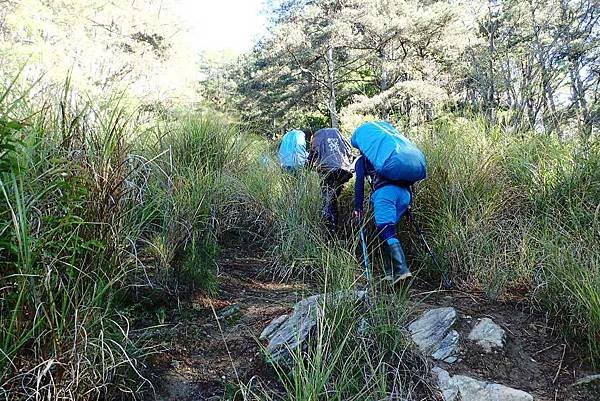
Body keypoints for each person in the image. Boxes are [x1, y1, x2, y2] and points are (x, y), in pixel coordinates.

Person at [353, 140, 413, 285]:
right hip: (404, 195)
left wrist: (358, 207)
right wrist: (410, 203)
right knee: (387, 231)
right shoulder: (392, 155)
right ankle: (390, 274)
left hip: (385, 194)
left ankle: (401, 270)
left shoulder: (362, 160)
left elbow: (359, 182)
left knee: (386, 229)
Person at [308, 127, 354, 230]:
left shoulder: (318, 138)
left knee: (327, 200)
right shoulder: (339, 137)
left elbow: (311, 159)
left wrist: (309, 167)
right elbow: (349, 153)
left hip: (327, 173)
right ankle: (337, 225)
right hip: (342, 172)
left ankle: (330, 228)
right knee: (334, 198)